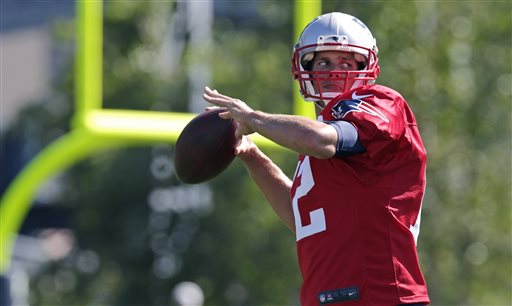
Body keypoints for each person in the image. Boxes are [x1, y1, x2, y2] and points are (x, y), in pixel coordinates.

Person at [203, 12, 430, 306]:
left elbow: (322, 140)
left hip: (382, 295)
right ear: (303, 68)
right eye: (323, 62)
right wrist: (251, 154)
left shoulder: (383, 105)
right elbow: (302, 217)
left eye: (346, 62)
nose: (334, 71)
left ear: (368, 66)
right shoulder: (316, 135)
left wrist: (252, 117)